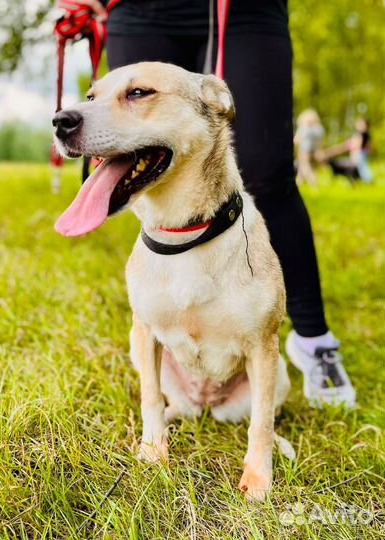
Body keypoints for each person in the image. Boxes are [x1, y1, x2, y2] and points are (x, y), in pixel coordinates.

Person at [85, 0, 355, 407]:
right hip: (138, 9)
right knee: (136, 160)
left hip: (246, 10)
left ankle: (313, 341)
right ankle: (176, 334)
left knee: (268, 173)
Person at [325, 118, 373, 184]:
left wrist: (350, 146)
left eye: (360, 123)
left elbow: (358, 145)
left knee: (361, 168)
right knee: (362, 167)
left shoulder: (361, 134)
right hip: (362, 154)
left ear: (365, 125)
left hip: (359, 154)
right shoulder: (366, 134)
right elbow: (369, 146)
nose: (358, 125)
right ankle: (364, 180)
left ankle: (368, 180)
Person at [294, 109, 325, 187]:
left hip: (304, 150)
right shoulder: (319, 129)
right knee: (302, 168)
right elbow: (320, 142)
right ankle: (298, 184)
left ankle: (314, 183)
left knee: (305, 167)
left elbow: (297, 140)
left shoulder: (304, 128)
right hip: (314, 151)